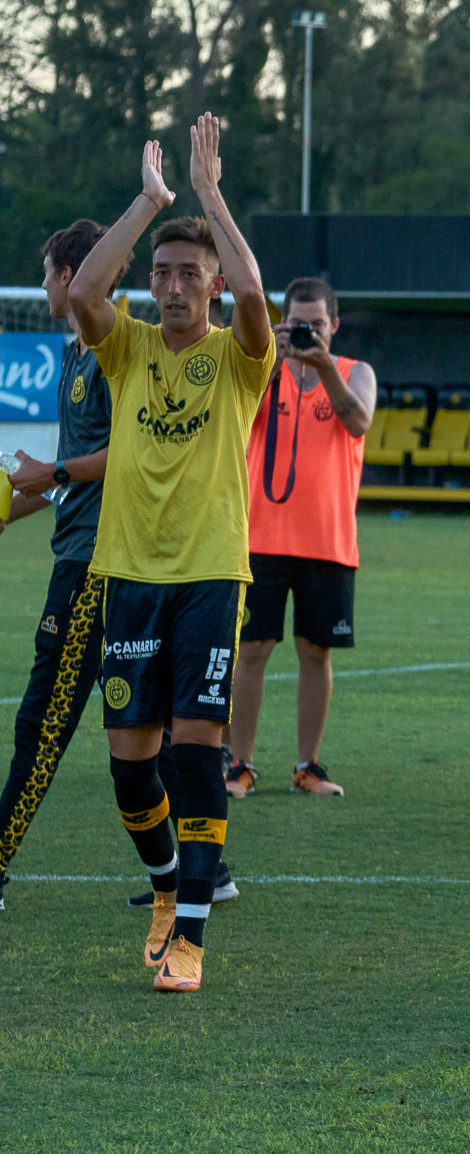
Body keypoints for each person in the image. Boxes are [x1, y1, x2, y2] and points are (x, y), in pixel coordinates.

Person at [66, 118, 275, 993]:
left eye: (190, 274)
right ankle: (164, 890)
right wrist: (150, 204)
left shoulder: (238, 359)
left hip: (210, 575)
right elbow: (83, 292)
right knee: (128, 763)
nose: (174, 286)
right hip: (129, 576)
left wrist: (210, 195)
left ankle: (189, 936)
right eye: (163, 274)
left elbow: (261, 301)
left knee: (196, 750)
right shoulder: (130, 350)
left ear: (213, 286)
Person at [0, 220, 115, 910]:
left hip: (94, 568)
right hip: (79, 557)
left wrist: (54, 471)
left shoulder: (110, 352)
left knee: (42, 720)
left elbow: (127, 457)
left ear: (71, 276)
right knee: (140, 731)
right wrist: (15, 502)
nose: (42, 285)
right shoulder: (75, 358)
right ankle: (200, 869)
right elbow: (68, 482)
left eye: (46, 272)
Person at [226, 277, 377, 800]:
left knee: (316, 653)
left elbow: (357, 423)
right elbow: (237, 411)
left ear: (334, 325)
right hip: (259, 536)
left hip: (328, 541)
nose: (306, 331)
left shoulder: (356, 372)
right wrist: (272, 352)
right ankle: (238, 763)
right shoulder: (264, 369)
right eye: (296, 323)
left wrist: (321, 364)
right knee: (251, 649)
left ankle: (307, 766)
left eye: (316, 323)